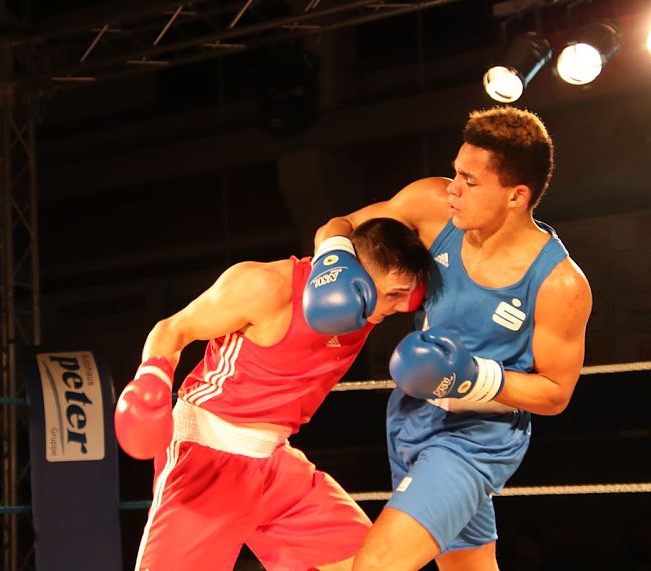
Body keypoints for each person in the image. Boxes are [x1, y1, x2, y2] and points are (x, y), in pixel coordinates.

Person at [313, 106, 593, 571]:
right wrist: (333, 259)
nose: (453, 189)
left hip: (476, 440)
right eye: (455, 173)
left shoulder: (559, 284)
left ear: (516, 195)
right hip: (410, 418)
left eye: (470, 181)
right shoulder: (431, 206)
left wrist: (472, 377)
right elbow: (338, 225)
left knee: (378, 564)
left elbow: (555, 393)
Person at [114, 218, 432, 571]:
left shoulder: (369, 306)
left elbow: (351, 223)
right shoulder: (268, 287)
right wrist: (151, 379)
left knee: (370, 564)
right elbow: (173, 329)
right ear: (354, 275)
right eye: (394, 294)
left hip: (276, 464)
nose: (401, 306)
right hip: (207, 457)